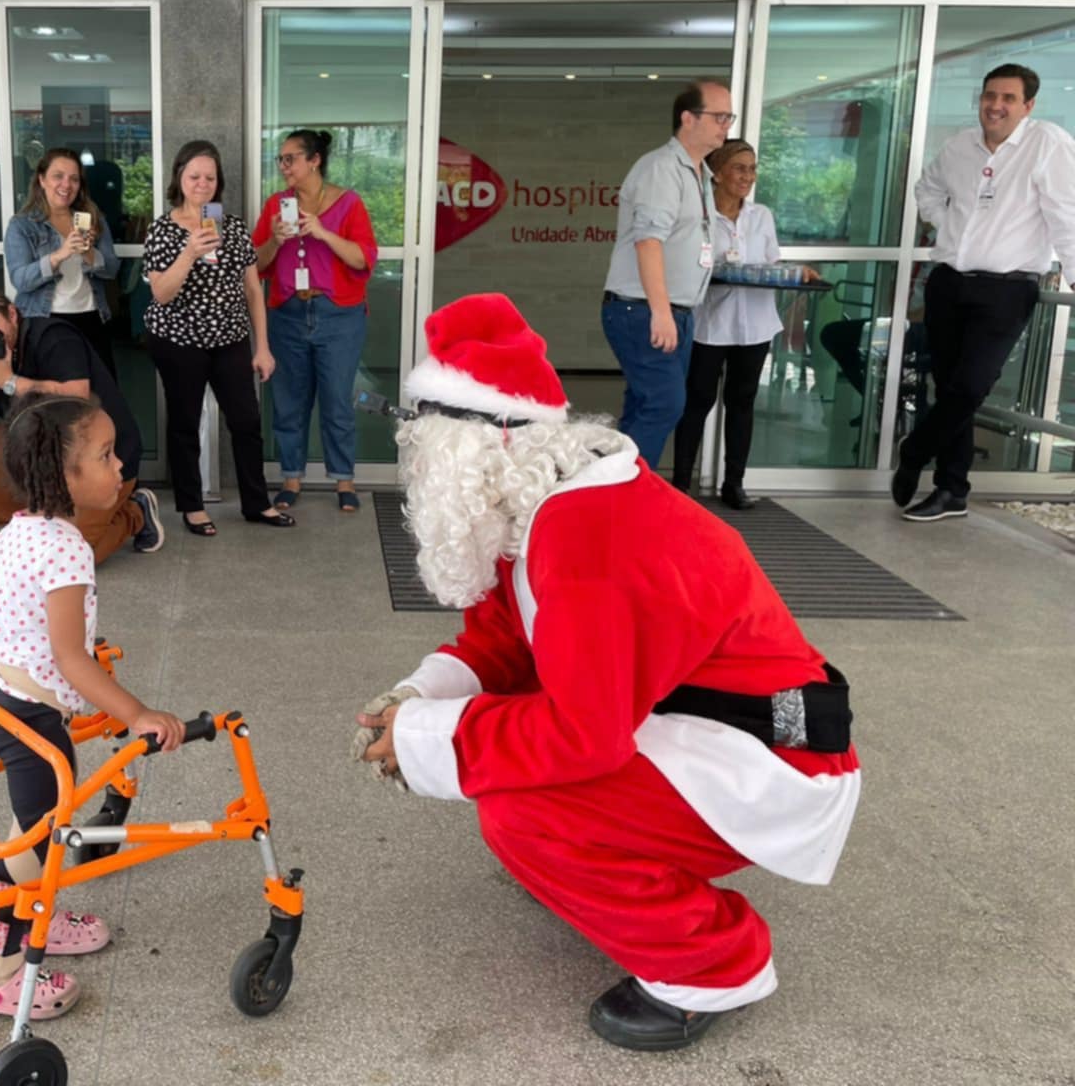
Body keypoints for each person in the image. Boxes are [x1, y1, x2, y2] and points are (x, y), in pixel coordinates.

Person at [354, 293, 859, 1053]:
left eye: (422, 449)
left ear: (475, 448)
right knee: (509, 764)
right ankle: (614, 867)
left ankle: (714, 961)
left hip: (771, 750)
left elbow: (583, 734)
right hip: (706, 717)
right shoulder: (548, 501)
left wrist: (428, 738)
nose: (417, 468)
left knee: (519, 810)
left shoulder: (584, 539)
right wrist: (417, 699)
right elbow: (504, 640)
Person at [0, 390, 186, 1021]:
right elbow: (71, 660)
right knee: (30, 842)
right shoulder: (67, 547)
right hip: (36, 722)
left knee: (28, 833)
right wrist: (138, 713)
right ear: (65, 475)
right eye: (106, 455)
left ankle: (42, 914)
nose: (120, 467)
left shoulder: (16, 528)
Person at [893, 62, 1075, 522]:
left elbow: (1066, 216)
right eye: (990, 96)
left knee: (971, 387)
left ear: (1028, 106)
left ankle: (916, 450)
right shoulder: (959, 146)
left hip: (1006, 290)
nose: (996, 106)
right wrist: (945, 221)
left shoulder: (1046, 145)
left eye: (1008, 98)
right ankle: (951, 491)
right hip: (949, 283)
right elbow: (926, 188)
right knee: (950, 386)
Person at [0, 283, 163, 563]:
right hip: (50, 461)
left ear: (12, 315)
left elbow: (78, 396)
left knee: (76, 555)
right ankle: (17, 536)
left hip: (100, 457)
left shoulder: (52, 336)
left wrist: (9, 381)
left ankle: (136, 512)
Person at [142, 140, 293, 536]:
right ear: (180, 177)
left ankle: (256, 503)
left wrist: (262, 347)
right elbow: (160, 293)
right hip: (178, 340)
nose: (202, 183)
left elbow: (253, 290)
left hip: (229, 338)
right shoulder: (162, 228)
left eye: (210, 177)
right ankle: (192, 507)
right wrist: (189, 253)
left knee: (245, 420)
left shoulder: (233, 225)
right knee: (185, 422)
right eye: (194, 176)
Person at [671, 139, 819, 509]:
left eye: (752, 169)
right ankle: (679, 485)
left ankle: (733, 483)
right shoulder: (698, 217)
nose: (747, 176)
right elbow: (687, 267)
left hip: (754, 325)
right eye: (739, 168)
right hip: (710, 323)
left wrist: (797, 274)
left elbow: (770, 264)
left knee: (742, 402)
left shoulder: (761, 216)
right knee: (697, 402)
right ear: (717, 173)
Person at [602, 80, 734, 467]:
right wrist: (661, 312)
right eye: (719, 116)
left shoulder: (697, 172)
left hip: (675, 311)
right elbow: (649, 243)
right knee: (665, 403)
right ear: (688, 118)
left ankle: (611, 491)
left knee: (645, 405)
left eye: (730, 117)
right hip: (643, 309)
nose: (726, 125)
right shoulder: (662, 168)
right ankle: (628, 495)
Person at [253, 129, 378, 513]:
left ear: (314, 160)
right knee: (290, 401)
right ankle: (292, 478)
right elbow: (256, 264)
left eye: (290, 158)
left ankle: (344, 480)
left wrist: (323, 233)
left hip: (338, 315)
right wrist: (274, 239)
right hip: (288, 314)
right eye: (281, 159)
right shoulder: (277, 205)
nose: (284, 166)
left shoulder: (349, 203)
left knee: (337, 401)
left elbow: (363, 259)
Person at [4, 147, 121, 376]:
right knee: (50, 400)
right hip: (44, 320)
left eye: (74, 179)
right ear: (42, 180)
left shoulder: (94, 220)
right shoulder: (22, 225)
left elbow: (112, 270)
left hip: (91, 317)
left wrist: (89, 254)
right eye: (58, 176)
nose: (66, 185)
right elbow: (21, 280)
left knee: (101, 398)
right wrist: (59, 254)